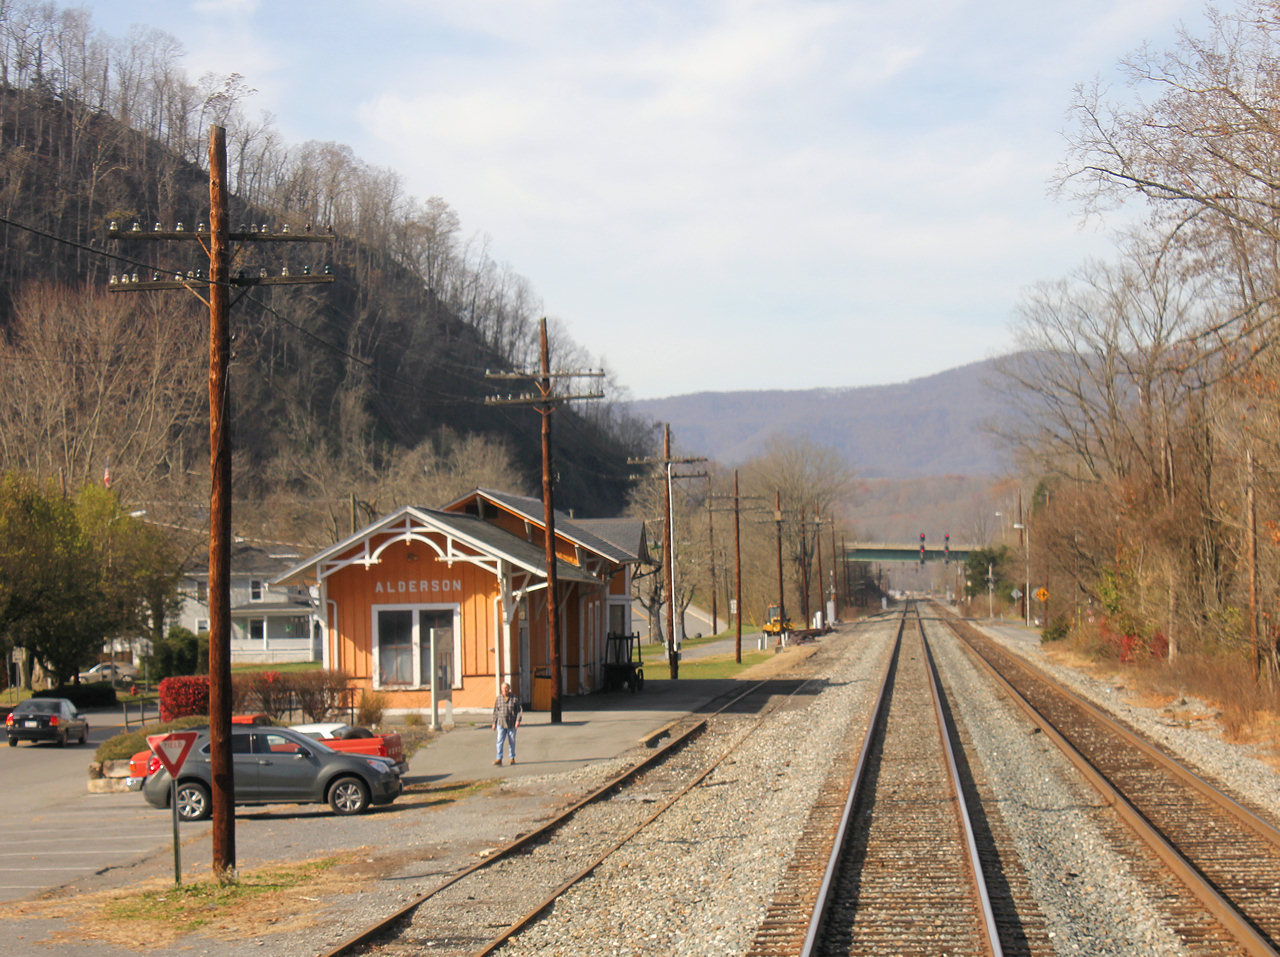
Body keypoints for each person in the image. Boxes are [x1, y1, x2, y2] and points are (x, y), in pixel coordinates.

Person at [492, 681, 522, 766]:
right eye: (503, 688)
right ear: (501, 689)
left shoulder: (514, 698)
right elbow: (495, 711)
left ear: (509, 689)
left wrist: (518, 721)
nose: (505, 690)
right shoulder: (499, 698)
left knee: (511, 741)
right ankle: (499, 758)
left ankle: (512, 758)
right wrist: (494, 723)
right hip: (501, 723)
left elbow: (519, 710)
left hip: (511, 723)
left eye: (506, 688)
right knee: (499, 741)